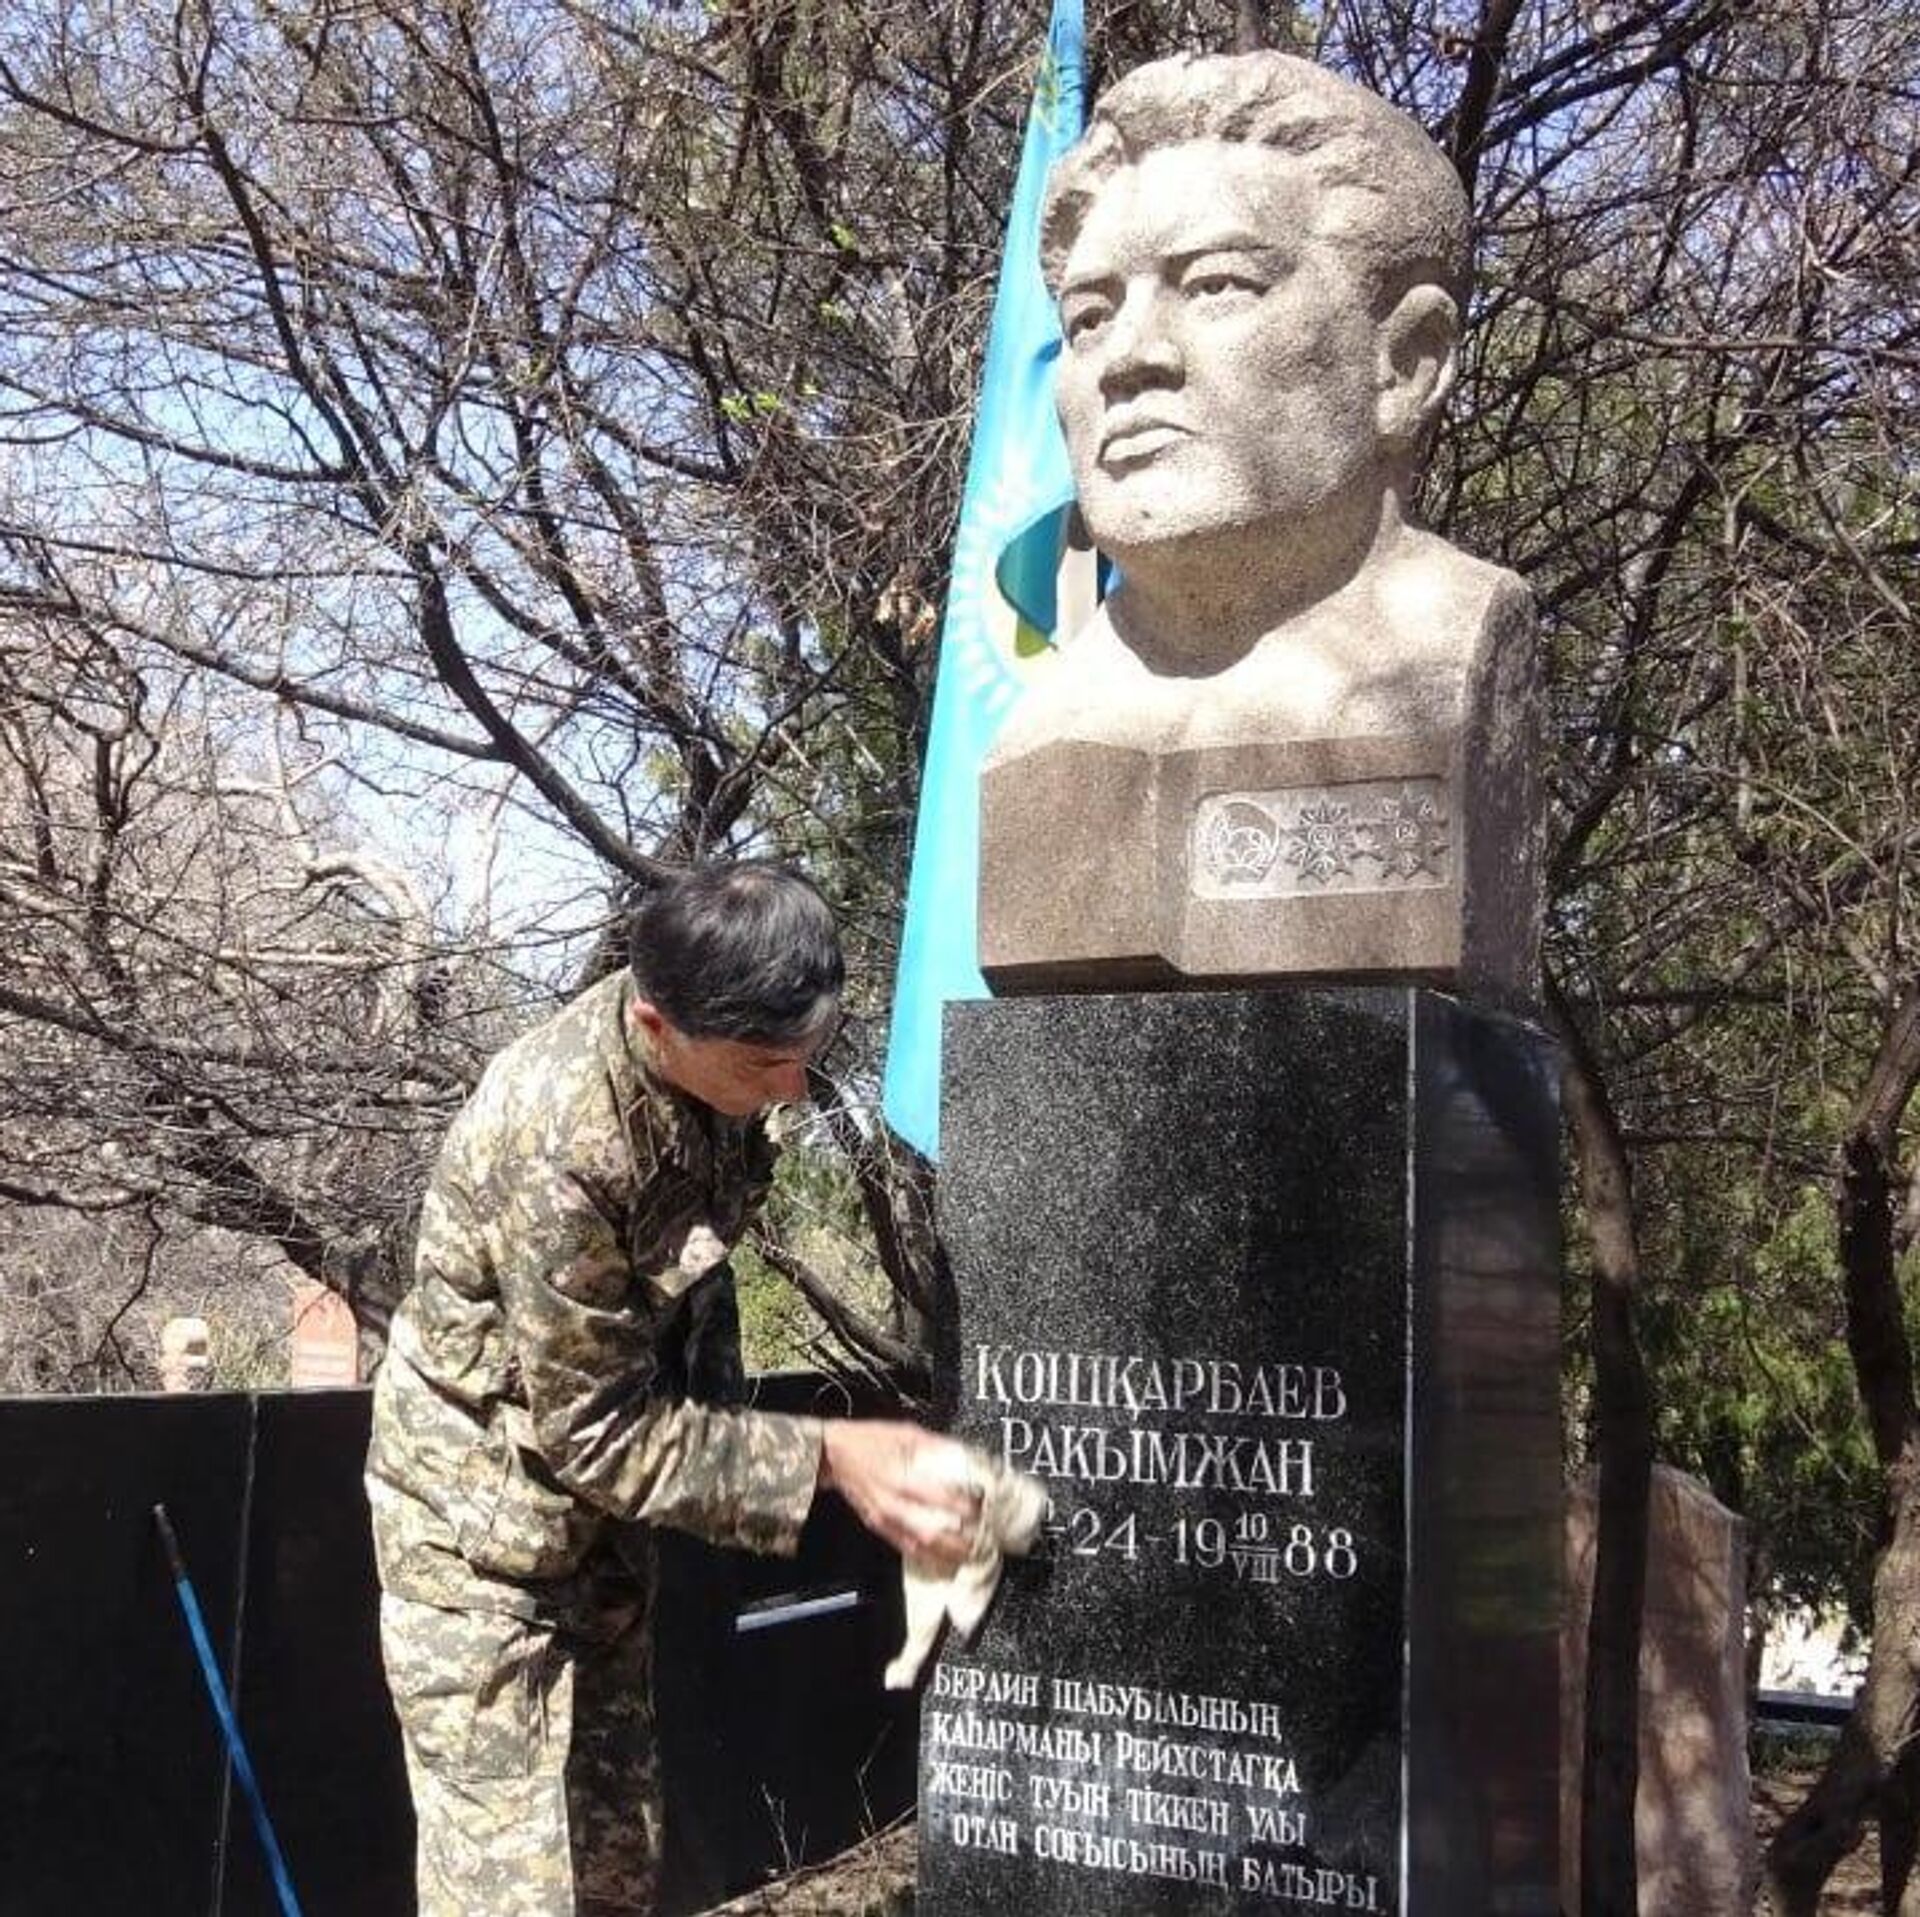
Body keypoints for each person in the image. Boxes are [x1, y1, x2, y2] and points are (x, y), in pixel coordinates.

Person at [366, 861, 980, 1917]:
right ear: (658, 1025)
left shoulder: (716, 1064)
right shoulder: (559, 1140)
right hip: (480, 1546)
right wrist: (830, 1457)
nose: (792, 1089)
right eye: (764, 1063)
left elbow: (686, 1284)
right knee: (513, 1894)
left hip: (602, 1540)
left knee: (614, 1867)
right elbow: (594, 1434)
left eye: (807, 1053)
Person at [978, 50, 1541, 993]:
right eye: (1090, 317)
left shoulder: (1447, 653)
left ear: (1406, 362)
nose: (1129, 358)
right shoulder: (1047, 720)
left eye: (1217, 285)